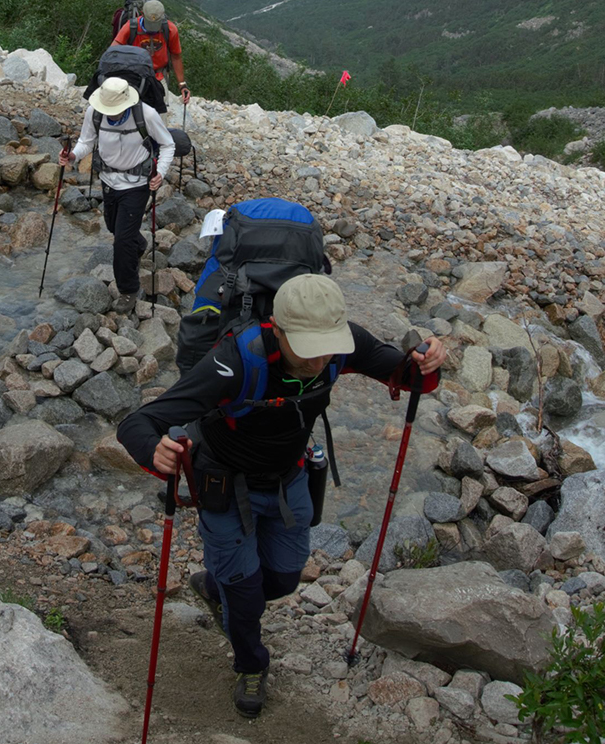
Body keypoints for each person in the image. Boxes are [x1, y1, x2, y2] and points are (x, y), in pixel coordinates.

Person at [117, 273, 446, 719]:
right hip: (225, 486)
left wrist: (427, 362)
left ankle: (217, 590)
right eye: (309, 348)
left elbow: (411, 378)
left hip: (288, 480)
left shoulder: (341, 347)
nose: (321, 359)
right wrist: (155, 452)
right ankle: (251, 663)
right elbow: (139, 422)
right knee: (248, 594)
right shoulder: (236, 360)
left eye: (327, 345)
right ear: (279, 329)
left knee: (286, 578)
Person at [60, 76, 175, 314]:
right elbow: (86, 142)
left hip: (137, 184)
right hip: (108, 181)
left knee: (121, 241)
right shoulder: (94, 113)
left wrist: (160, 173)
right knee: (115, 227)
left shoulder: (146, 114)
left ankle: (128, 291)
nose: (110, 114)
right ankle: (139, 242)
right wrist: (72, 156)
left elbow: (167, 144)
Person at [112, 0, 189, 104]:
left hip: (159, 76)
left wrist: (182, 85)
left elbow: (176, 56)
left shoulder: (170, 29)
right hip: (134, 76)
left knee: (159, 115)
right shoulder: (131, 27)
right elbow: (113, 51)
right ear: (142, 14)